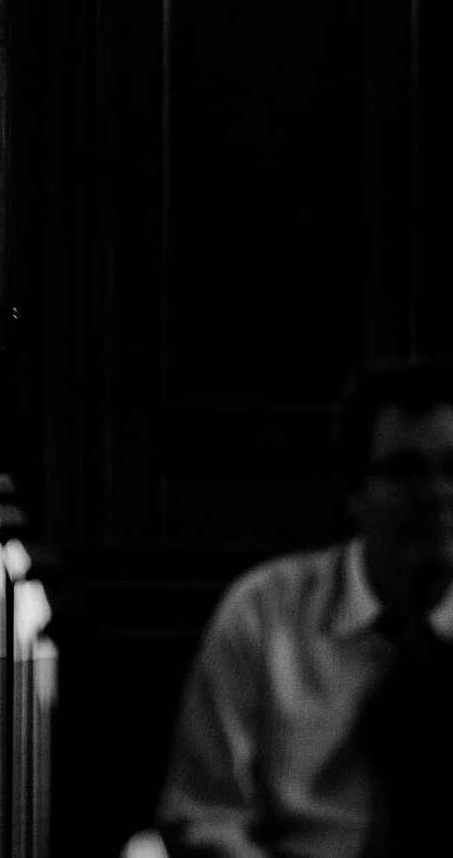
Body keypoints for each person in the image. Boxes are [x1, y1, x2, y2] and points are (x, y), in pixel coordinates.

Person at [155, 359, 453, 857]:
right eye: (405, 470)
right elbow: (205, 815)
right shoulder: (264, 614)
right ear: (354, 490)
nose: (437, 494)